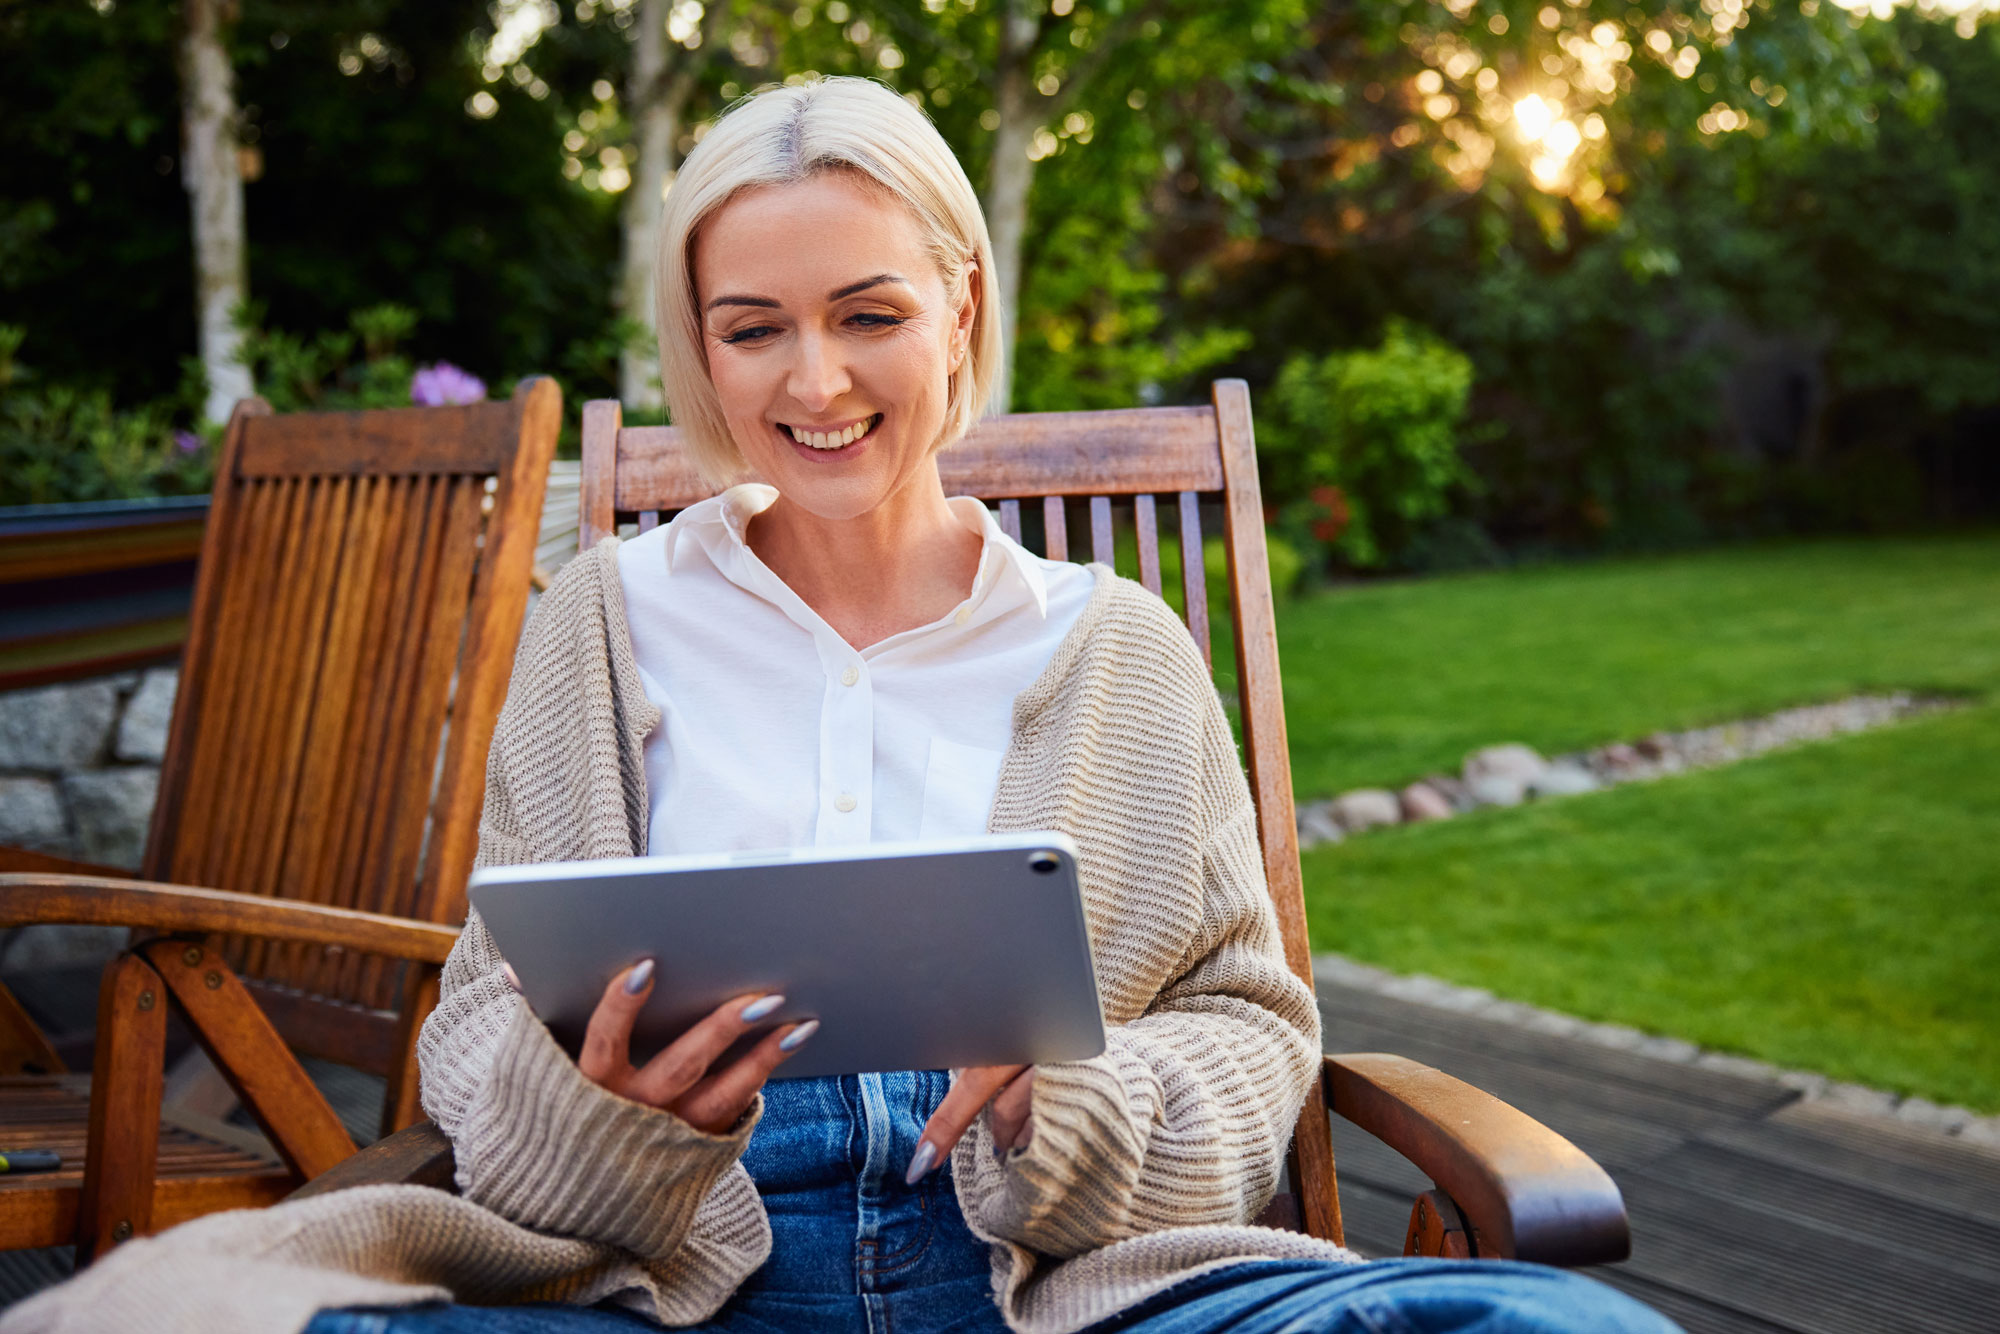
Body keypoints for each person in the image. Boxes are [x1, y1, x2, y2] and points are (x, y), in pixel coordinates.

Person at [0, 77, 1677, 1334]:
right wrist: (611, 1104)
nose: (815, 382)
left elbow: (1251, 1038)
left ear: (959, 304)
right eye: (756, 330)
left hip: (1071, 1273)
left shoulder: (1120, 648)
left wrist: (1064, 1098)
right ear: (705, 353)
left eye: (870, 314)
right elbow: (480, 1048)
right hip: (672, 1268)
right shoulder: (607, 622)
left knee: (1554, 1323)